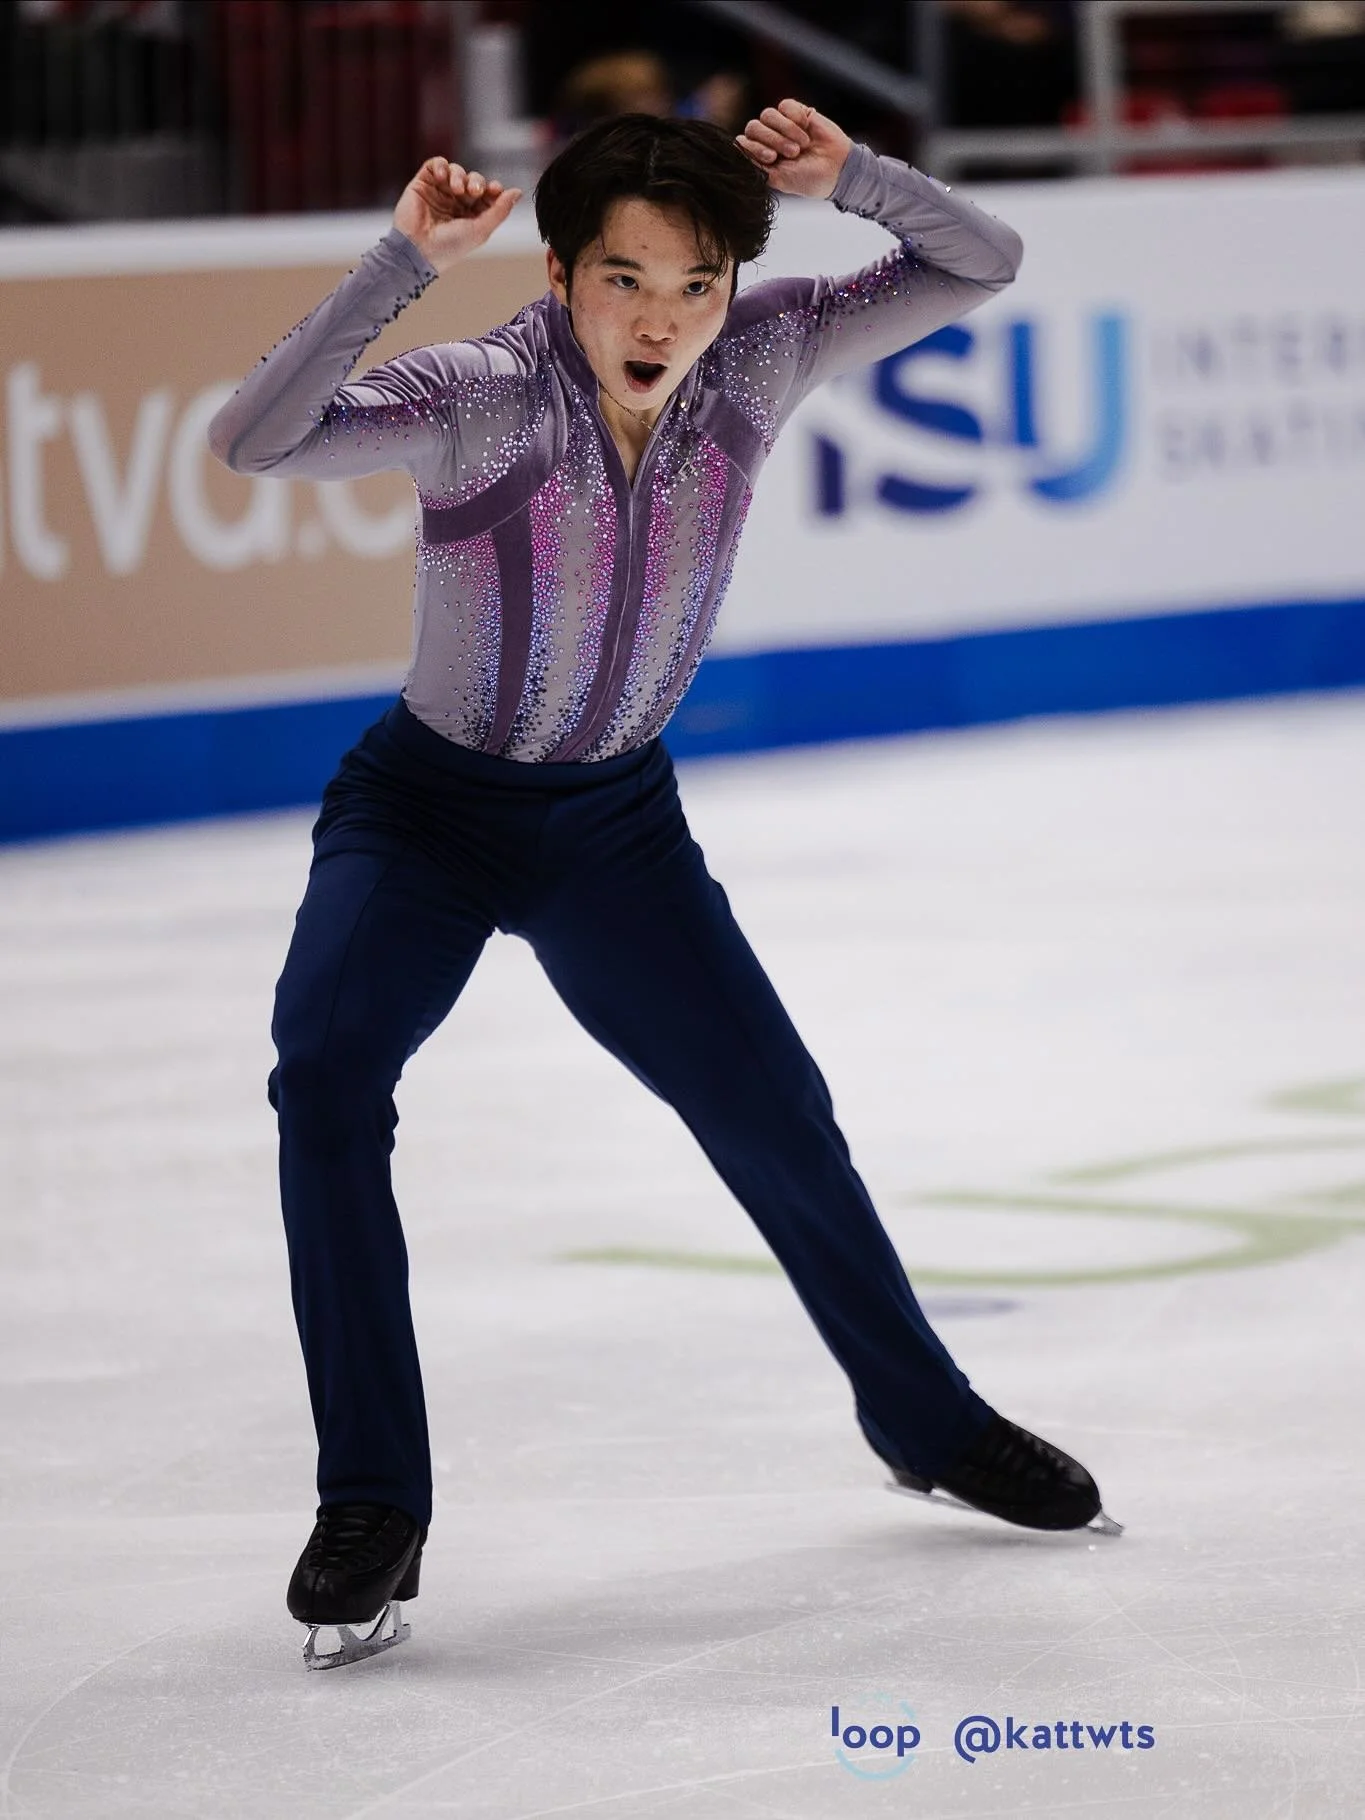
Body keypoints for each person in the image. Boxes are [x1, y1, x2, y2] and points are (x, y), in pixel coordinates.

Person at [208, 98, 1117, 1668]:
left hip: (617, 829)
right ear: (563, 272)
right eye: (628, 280)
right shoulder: (484, 394)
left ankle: (925, 1419)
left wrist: (857, 184)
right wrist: (398, 264)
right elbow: (256, 439)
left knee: (776, 1109)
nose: (665, 320)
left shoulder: (758, 361)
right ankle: (373, 1501)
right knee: (329, 1083)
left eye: (697, 284)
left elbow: (985, 261)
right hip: (427, 814)